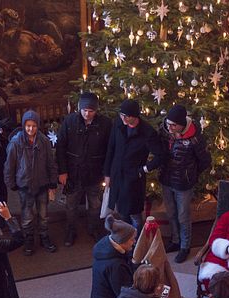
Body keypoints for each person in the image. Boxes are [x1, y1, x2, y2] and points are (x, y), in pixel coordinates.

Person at [56, 92, 112, 246]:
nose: (87, 114)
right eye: (84, 110)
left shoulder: (106, 124)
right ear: (80, 108)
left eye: (91, 111)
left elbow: (110, 150)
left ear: (96, 110)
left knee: (95, 205)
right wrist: (62, 171)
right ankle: (70, 230)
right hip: (73, 173)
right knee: (71, 205)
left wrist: (107, 173)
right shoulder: (69, 122)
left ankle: (94, 228)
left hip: (96, 173)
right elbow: (60, 147)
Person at [158, 104, 212, 263]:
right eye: (168, 124)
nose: (170, 127)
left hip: (183, 183)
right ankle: (175, 240)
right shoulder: (165, 131)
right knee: (171, 212)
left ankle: (185, 246)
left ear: (182, 124)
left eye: (174, 125)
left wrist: (191, 173)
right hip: (166, 179)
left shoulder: (195, 139)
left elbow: (205, 160)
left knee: (183, 216)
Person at [104, 99, 168, 231]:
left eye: (126, 116)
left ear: (135, 116)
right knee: (121, 211)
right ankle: (126, 242)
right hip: (117, 174)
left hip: (133, 179)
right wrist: (107, 173)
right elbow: (110, 148)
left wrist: (143, 170)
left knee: (135, 214)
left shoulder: (147, 132)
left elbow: (160, 155)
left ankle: (137, 244)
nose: (123, 118)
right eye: (121, 115)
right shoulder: (118, 124)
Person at [4, 109, 58, 255]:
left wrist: (53, 182)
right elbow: (9, 166)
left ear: (38, 126)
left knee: (43, 214)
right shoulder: (16, 143)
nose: (30, 129)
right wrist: (11, 183)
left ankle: (44, 236)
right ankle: (28, 238)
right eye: (28, 126)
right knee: (27, 216)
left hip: (42, 184)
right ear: (23, 125)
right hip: (25, 185)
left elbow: (50, 163)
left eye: (34, 126)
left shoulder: (44, 141)